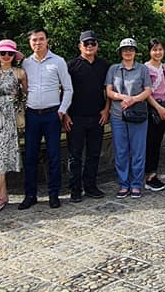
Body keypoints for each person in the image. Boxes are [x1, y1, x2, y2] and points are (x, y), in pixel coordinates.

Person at [19, 28, 73, 210]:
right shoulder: (25, 63)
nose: (38, 43)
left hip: (52, 115)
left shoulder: (58, 61)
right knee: (30, 157)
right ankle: (30, 194)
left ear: (47, 41)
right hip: (32, 115)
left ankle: (54, 194)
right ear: (30, 43)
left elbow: (68, 88)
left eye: (41, 39)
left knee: (54, 156)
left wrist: (62, 110)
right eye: (34, 40)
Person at [0, 39, 27, 215]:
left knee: (1, 154)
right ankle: (2, 194)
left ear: (14, 56)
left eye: (9, 53)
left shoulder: (20, 73)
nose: (6, 56)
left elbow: (25, 95)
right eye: (3, 53)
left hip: (9, 117)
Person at [64, 30, 109, 202]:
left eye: (92, 43)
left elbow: (109, 89)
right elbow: (65, 92)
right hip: (75, 117)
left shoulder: (104, 65)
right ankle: (75, 188)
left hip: (97, 116)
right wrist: (65, 114)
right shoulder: (71, 65)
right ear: (80, 46)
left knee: (94, 153)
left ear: (97, 45)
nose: (89, 47)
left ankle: (90, 185)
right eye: (86, 44)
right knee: (74, 155)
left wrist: (106, 109)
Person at [106, 38, 151, 199]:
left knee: (138, 151)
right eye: (125, 49)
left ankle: (136, 184)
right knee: (121, 151)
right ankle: (124, 184)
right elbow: (109, 92)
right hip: (118, 115)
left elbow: (147, 91)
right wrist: (123, 97)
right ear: (120, 52)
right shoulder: (114, 69)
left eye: (131, 49)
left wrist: (133, 99)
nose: (128, 52)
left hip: (138, 115)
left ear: (135, 52)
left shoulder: (142, 69)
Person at [142, 39, 165, 192]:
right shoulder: (145, 68)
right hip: (151, 109)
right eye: (154, 50)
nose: (158, 52)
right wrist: (158, 107)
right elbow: (146, 92)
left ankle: (153, 174)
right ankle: (148, 175)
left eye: (160, 49)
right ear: (150, 51)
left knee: (157, 142)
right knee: (149, 142)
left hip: (163, 107)